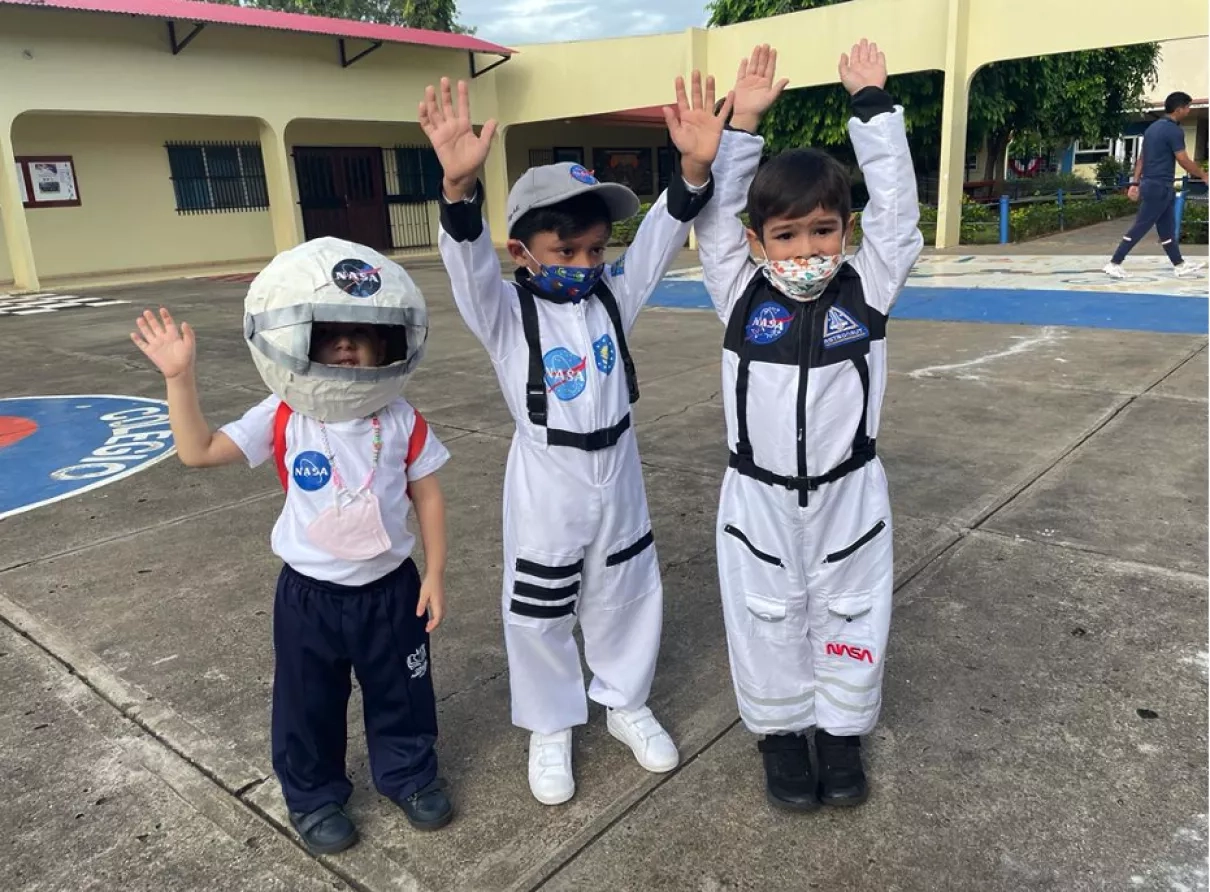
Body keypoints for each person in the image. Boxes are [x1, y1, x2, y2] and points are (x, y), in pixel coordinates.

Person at [419, 76, 730, 805]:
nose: (586, 266)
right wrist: (458, 189)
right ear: (523, 250)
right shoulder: (503, 312)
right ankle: (552, 723)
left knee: (627, 588)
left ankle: (624, 700)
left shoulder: (611, 296)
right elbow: (466, 264)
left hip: (618, 468)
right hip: (546, 476)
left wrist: (691, 174)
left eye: (596, 249)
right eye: (566, 250)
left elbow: (655, 241)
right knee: (539, 605)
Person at [130, 238, 454, 855]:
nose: (346, 345)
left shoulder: (402, 417)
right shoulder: (283, 413)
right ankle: (314, 795)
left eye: (362, 334)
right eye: (329, 332)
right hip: (309, 596)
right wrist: (180, 378)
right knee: (307, 702)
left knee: (403, 693)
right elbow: (198, 451)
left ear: (388, 344)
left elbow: (428, 497)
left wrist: (434, 574)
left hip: (391, 591)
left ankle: (410, 775)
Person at [693, 41, 923, 811]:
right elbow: (719, 219)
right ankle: (782, 735)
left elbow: (899, 214)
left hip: (849, 494)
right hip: (756, 497)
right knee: (765, 614)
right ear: (757, 243)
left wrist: (871, 109)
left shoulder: (870, 286)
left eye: (823, 231)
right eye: (785, 236)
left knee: (852, 605)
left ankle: (840, 730)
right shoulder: (738, 292)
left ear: (846, 232)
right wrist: (743, 126)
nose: (806, 250)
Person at [1105, 90, 1209, 279]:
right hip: (1159, 186)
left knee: (1166, 228)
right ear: (1178, 109)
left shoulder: (1152, 129)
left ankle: (1179, 265)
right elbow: (1183, 159)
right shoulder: (1174, 131)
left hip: (1156, 185)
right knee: (1142, 225)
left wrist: (1135, 182)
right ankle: (1115, 262)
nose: (1188, 111)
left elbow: (1141, 159)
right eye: (1187, 108)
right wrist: (1203, 175)